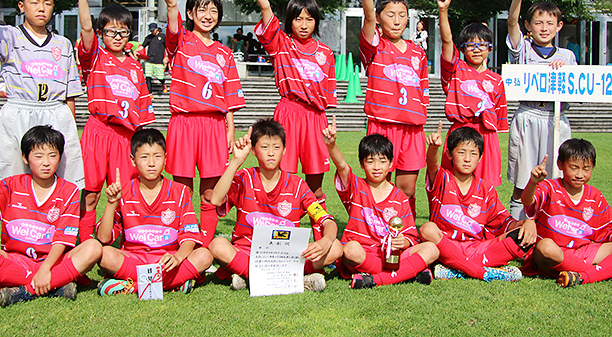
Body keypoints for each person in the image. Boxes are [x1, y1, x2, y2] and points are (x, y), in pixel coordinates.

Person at [147, 0, 245, 246]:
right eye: (202, 9)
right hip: (184, 123)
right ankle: (181, 239)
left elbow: (228, 101)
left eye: (214, 10)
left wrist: (229, 131)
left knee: (211, 191)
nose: (208, 15)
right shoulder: (181, 42)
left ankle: (206, 243)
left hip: (215, 126)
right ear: (191, 13)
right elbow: (172, 6)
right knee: (181, 188)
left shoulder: (225, 54)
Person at [236, 0, 336, 240]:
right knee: (284, 179)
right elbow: (265, 8)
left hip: (316, 118)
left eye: (309, 19)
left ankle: (320, 241)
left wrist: (328, 125)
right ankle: (279, 236)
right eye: (297, 19)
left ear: (316, 20)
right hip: (289, 113)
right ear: (290, 21)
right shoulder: (281, 43)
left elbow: (327, 96)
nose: (303, 25)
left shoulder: (326, 53)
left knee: (316, 185)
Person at [0, 0, 84, 188]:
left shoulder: (63, 45)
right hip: (19, 112)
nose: (42, 8)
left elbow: (69, 94)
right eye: (35, 3)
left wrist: (69, 128)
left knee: (63, 181)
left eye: (47, 3)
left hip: (55, 113)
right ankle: (14, 222)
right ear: (22, 6)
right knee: (12, 180)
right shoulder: (9, 36)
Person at [0, 126, 102, 307]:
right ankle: (56, 286)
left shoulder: (69, 190)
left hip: (54, 263)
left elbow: (62, 239)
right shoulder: (11, 186)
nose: (46, 162)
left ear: (60, 157)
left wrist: (45, 269)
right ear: (25, 158)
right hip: (18, 262)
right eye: (38, 156)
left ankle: (25, 291)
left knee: (93, 247)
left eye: (52, 155)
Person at [207, 118, 342, 292]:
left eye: (276, 147)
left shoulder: (298, 185)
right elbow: (216, 200)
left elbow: (326, 220)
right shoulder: (244, 178)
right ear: (254, 151)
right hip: (250, 253)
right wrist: (235, 161)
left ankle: (250, 277)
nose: (271, 153)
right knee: (217, 245)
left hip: (288, 255)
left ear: (284, 150)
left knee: (336, 247)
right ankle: (296, 279)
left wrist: (325, 241)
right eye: (264, 147)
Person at [75, 0, 155, 242]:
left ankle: (121, 247)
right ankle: (85, 247)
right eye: (111, 32)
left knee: (124, 194)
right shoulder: (94, 56)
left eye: (123, 32)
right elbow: (85, 27)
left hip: (126, 137)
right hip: (98, 132)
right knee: (90, 194)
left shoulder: (135, 68)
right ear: (101, 33)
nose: (117, 37)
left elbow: (144, 114)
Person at [321, 116, 439, 289]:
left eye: (382, 161)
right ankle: (408, 273)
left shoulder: (399, 196)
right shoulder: (356, 186)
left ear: (391, 163)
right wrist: (331, 145)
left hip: (392, 255)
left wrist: (403, 242)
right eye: (370, 161)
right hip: (363, 253)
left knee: (431, 249)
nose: (377, 167)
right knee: (350, 249)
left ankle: (374, 279)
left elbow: (411, 236)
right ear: (361, 163)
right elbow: (341, 166)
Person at [96, 128, 212, 295]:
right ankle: (174, 283)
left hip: (168, 260)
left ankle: (131, 286)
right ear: (133, 160)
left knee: (204, 256)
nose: (151, 163)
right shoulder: (125, 191)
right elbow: (103, 238)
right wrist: (111, 203)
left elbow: (189, 235)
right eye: (144, 157)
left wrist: (178, 258)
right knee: (104, 255)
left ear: (165, 158)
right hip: (134, 258)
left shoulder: (180, 191)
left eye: (157, 156)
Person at [419, 124, 536, 282]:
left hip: (477, 249)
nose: (467, 159)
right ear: (449, 154)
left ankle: (455, 268)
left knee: (524, 234)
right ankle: (481, 271)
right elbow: (432, 164)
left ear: (480, 158)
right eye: (461, 152)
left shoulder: (486, 189)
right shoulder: (442, 179)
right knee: (428, 229)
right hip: (445, 246)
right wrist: (433, 148)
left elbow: (504, 222)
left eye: (473, 154)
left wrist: (526, 223)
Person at [359, 0, 428, 218]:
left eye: (402, 15)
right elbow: (367, 19)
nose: (397, 20)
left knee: (407, 188)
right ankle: (375, 230)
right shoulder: (375, 46)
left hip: (412, 129)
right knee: (379, 184)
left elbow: (422, 91)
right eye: (390, 14)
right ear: (379, 18)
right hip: (382, 124)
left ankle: (406, 233)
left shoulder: (418, 53)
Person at [507, 0, 577, 219]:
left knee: (557, 176)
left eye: (550, 23)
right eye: (538, 22)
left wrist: (566, 72)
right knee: (523, 176)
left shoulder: (568, 56)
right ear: (529, 26)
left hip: (555, 117)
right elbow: (511, 23)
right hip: (527, 115)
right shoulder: (523, 48)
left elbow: (577, 89)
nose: (544, 28)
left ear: (559, 26)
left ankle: (551, 224)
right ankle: (516, 227)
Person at [436, 0, 508, 187]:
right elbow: (446, 40)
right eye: (471, 45)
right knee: (452, 183)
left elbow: (500, 120)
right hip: (460, 131)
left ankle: (483, 219)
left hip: (487, 136)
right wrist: (443, 11)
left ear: (490, 49)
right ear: (463, 49)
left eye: (482, 45)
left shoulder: (496, 80)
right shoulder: (456, 70)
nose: (477, 50)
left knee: (484, 187)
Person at [521, 139, 612, 287]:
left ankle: (579, 273)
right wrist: (533, 182)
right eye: (574, 168)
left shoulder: (596, 197)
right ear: (560, 165)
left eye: (586, 169)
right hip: (552, 253)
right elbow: (526, 201)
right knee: (546, 247)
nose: (580, 174)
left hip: (582, 252)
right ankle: (593, 274)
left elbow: (608, 229)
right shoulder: (550, 187)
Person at [140, 22, 167, 94]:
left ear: (157, 29)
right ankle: (150, 93)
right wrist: (136, 51)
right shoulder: (149, 37)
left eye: (153, 30)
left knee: (160, 77)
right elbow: (142, 46)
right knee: (148, 77)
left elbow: (167, 48)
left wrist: (166, 57)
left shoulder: (163, 36)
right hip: (149, 60)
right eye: (151, 30)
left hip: (159, 61)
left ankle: (163, 84)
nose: (152, 32)